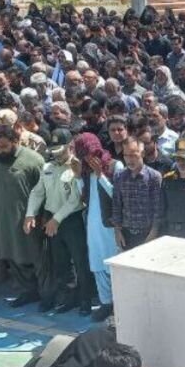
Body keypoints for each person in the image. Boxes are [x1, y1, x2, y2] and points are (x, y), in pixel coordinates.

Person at [27, 137, 93, 316]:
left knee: (80, 261)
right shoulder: (47, 168)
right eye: (53, 151)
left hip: (71, 220)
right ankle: (69, 298)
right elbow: (38, 192)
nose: (57, 155)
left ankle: (85, 300)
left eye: (61, 150)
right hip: (52, 220)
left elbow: (75, 199)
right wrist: (30, 213)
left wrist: (56, 219)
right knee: (60, 262)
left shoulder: (76, 167)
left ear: (69, 146)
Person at [0, 126, 47, 309]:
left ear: (15, 141)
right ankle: (28, 291)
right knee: (13, 256)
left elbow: (45, 191)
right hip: (4, 221)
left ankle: (47, 295)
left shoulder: (33, 160)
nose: (1, 150)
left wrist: (43, 217)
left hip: (30, 221)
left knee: (37, 258)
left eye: (4, 146)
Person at [75, 132, 120, 322]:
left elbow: (117, 196)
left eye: (91, 154)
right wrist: (78, 176)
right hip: (93, 226)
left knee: (113, 265)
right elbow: (83, 197)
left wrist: (101, 175)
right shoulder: (85, 170)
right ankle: (106, 303)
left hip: (110, 226)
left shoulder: (114, 166)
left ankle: (119, 304)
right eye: (84, 155)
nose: (89, 159)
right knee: (97, 265)